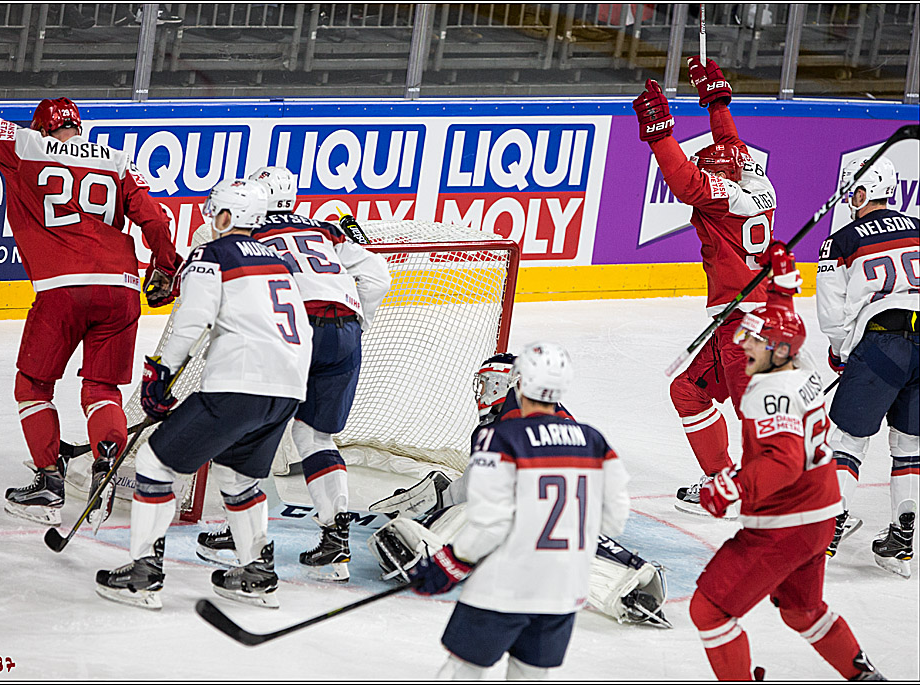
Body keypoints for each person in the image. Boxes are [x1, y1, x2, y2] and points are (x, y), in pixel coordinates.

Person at [0, 47, 181, 527]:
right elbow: (156, 220)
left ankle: (49, 484)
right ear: (78, 127)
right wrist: (165, 266)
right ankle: (106, 463)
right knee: (101, 387)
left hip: (63, 290)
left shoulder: (28, 146)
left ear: (42, 128)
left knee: (33, 385)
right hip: (121, 290)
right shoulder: (118, 162)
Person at [95, 178, 312, 610]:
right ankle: (255, 573)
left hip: (240, 383)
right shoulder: (278, 260)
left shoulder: (212, 254)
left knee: (155, 462)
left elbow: (192, 321)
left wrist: (159, 373)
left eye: (216, 212)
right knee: (239, 477)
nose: (211, 218)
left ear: (227, 216)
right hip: (288, 388)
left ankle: (143, 573)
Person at [690, 243, 884, 681]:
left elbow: (783, 462)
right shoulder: (800, 362)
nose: (744, 343)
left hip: (787, 523)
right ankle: (865, 677)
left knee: (710, 609)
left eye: (754, 340)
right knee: (802, 611)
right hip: (820, 515)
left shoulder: (768, 391)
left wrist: (733, 487)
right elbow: (783, 324)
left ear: (776, 350)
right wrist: (781, 283)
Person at [368, 353, 670, 628]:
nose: (482, 392)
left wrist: (442, 504)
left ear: (505, 384)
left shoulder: (503, 424)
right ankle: (631, 579)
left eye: (487, 384)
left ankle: (425, 549)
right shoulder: (555, 416)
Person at [194, 166, 391, 582]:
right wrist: (357, 324)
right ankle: (336, 541)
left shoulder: (247, 235)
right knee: (315, 436)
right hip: (344, 332)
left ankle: (240, 533)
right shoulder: (324, 229)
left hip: (293, 335)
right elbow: (377, 275)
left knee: (250, 426)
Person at [406, 343, 631, 679]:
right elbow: (615, 517)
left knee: (463, 670)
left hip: (506, 583)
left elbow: (490, 524)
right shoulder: (594, 440)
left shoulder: (500, 437)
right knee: (530, 675)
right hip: (564, 588)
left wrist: (449, 563)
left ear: (519, 383)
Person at [633, 58, 778, 517]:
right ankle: (722, 480)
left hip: (744, 327)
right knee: (689, 390)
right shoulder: (757, 183)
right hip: (752, 316)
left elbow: (684, 179)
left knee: (758, 414)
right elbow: (732, 146)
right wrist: (716, 102)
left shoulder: (721, 199)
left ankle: (776, 497)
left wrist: (659, 135)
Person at [816, 156, 920, 575]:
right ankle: (901, 542)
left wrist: (843, 354)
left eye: (854, 190)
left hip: (881, 346)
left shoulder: (841, 241)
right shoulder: (919, 227)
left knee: (847, 441)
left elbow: (832, 316)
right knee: (909, 446)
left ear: (866, 191)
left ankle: (825, 532)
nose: (850, 198)